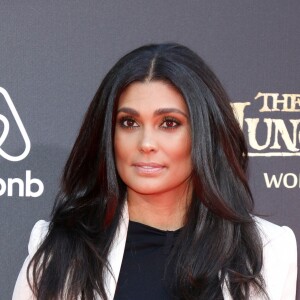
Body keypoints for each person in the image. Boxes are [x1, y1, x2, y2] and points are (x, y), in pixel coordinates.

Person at [13, 43, 297, 300]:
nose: (146, 143)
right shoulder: (61, 252)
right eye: (129, 123)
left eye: (169, 123)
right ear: (108, 134)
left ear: (204, 134)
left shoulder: (268, 250)